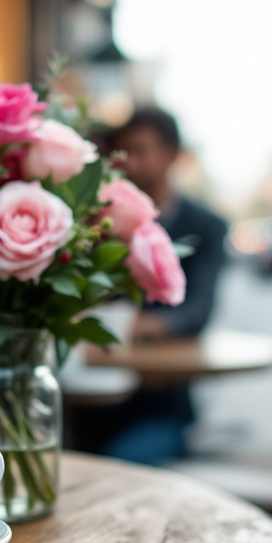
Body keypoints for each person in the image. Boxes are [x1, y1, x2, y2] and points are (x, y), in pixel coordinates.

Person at [65, 107, 229, 465]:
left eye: (141, 152)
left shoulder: (206, 226)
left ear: (172, 154)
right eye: (123, 154)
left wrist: (139, 326)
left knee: (120, 463)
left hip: (159, 403)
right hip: (83, 398)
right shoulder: (96, 219)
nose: (131, 164)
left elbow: (198, 309)